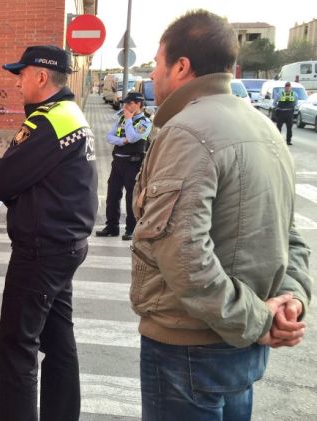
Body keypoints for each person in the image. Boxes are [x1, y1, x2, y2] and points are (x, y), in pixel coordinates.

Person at [133, 10, 312, 420]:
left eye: (157, 63)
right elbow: (290, 237)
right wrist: (291, 302)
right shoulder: (263, 127)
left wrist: (260, 320)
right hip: (237, 347)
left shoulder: (185, 132)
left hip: (190, 348)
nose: (154, 75)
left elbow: (183, 254)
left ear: (181, 67)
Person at [0, 45, 98, 421]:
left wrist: (9, 181)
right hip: (65, 244)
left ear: (41, 76)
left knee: (17, 346)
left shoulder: (49, 120)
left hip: (42, 249)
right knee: (58, 340)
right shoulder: (71, 113)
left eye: (21, 74)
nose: (17, 82)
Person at [95, 92, 151, 241]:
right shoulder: (121, 118)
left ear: (138, 104)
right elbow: (109, 137)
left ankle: (131, 229)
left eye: (129, 103)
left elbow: (133, 137)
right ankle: (111, 227)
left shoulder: (145, 122)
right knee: (112, 195)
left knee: (131, 197)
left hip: (133, 164)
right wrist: (123, 141)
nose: (125, 106)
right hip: (117, 162)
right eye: (125, 103)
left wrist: (128, 121)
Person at [273, 81, 296, 145]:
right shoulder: (293, 94)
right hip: (285, 112)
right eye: (287, 87)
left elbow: (274, 103)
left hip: (284, 112)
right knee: (281, 127)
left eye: (288, 87)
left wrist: (277, 107)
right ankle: (283, 140)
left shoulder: (281, 93)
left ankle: (286, 140)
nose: (287, 89)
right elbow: (295, 103)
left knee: (287, 128)